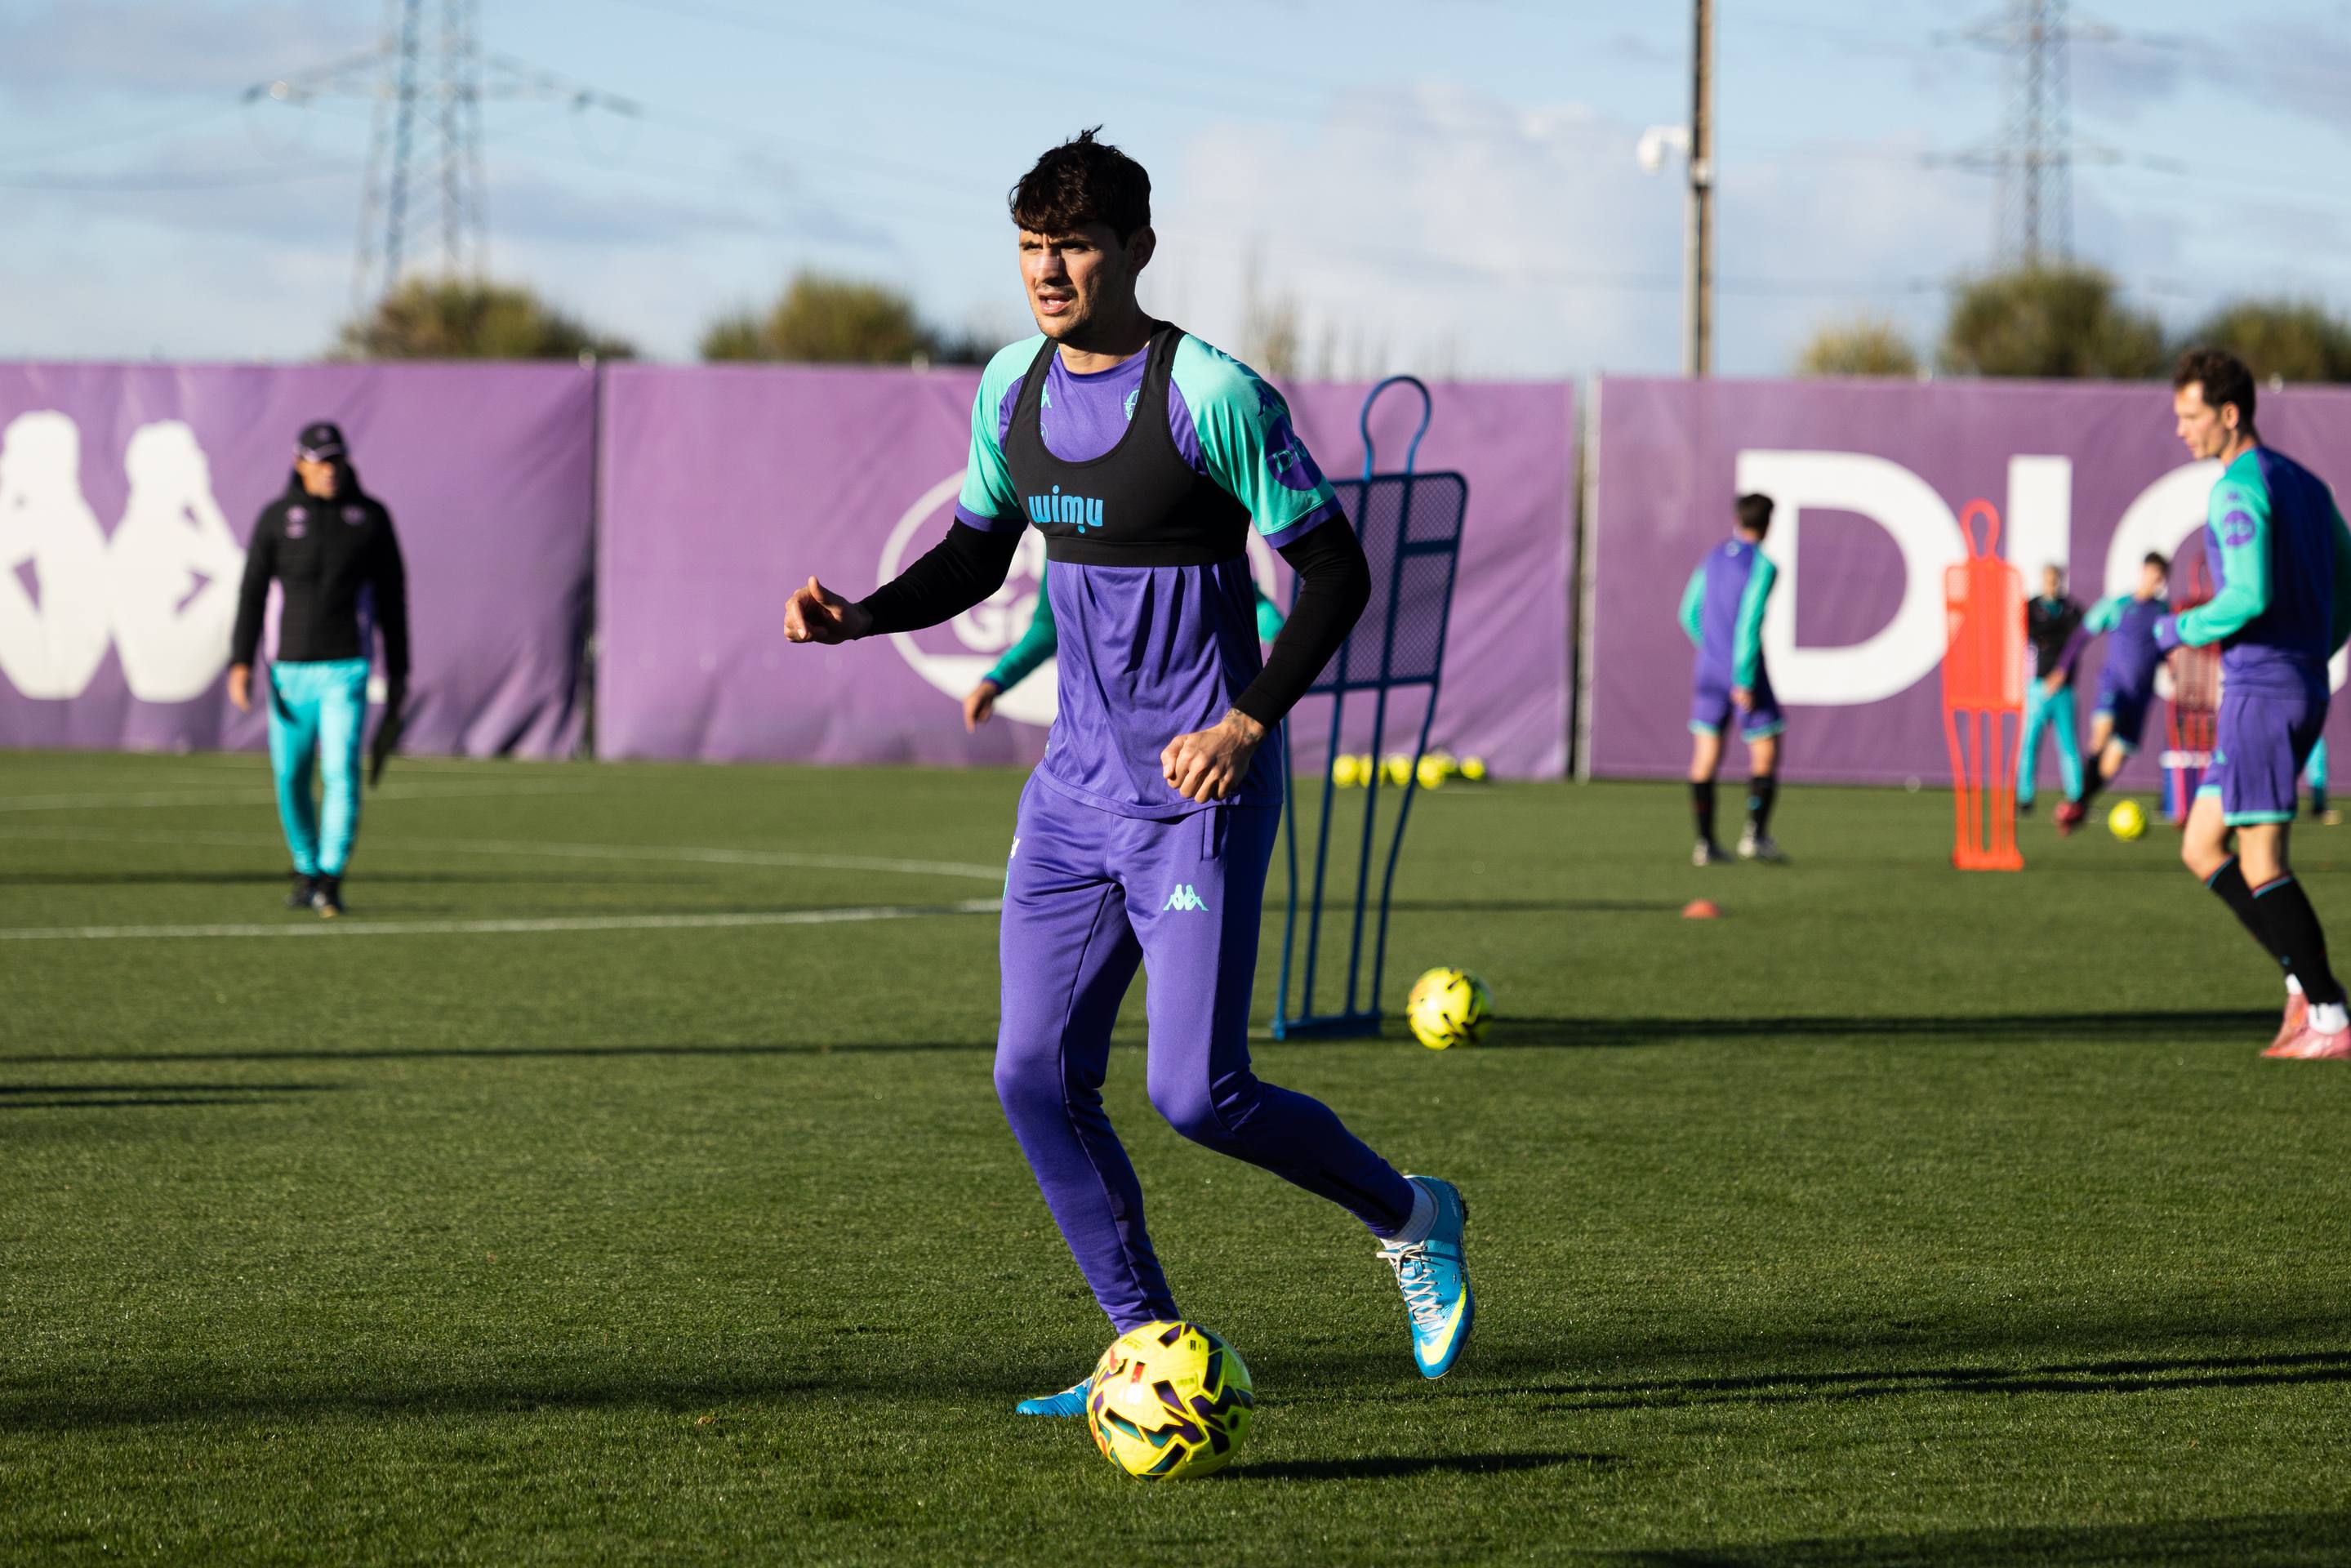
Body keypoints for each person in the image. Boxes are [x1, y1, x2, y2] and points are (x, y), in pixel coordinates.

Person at [783, 130, 1473, 1406]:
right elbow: (975, 555)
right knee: (1032, 1076)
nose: (1047, 270)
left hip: (1194, 797)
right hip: (1069, 800)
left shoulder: (1211, 395)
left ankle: (1411, 1214)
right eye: (1031, 247)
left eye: (1075, 245)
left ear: (1135, 251)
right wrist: (864, 615)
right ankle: (1139, 1342)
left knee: (1197, 1095)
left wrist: (1244, 724)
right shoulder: (1009, 390)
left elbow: (1335, 572)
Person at [2156, 347, 2351, 1060]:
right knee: (2200, 843)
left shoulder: (2236, 487)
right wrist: (2311, 655)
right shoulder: (2306, 484)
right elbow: (2346, 587)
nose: (2181, 429)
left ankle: (2327, 1014)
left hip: (2261, 691)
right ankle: (2302, 983)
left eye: (2190, 416)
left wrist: (2173, 629)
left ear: (2228, 414)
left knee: (2262, 861)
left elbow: (2245, 597)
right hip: (2294, 681)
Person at [227, 421, 408, 919]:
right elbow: (253, 592)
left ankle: (331, 874)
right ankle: (306, 866)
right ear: (299, 463)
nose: (331, 471)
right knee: (290, 776)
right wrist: (241, 660)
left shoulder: (369, 519)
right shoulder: (277, 518)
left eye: (337, 460)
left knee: (341, 771)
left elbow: (393, 601)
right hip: (289, 673)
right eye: (321, 461)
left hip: (346, 668)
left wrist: (400, 674)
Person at [963, 561, 1285, 730]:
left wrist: (1279, 636)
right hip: (1094, 737)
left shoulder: (1170, 519)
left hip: (1182, 725)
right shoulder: (1066, 535)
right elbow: (1048, 629)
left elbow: (1243, 598)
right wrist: (995, 682)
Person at [1680, 493, 1784, 864]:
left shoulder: (1712, 558)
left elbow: (1688, 612)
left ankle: (1704, 844)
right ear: (1769, 523)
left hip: (1708, 668)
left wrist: (1711, 651)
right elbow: (1750, 624)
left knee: (1705, 755)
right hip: (1743, 673)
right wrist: (1741, 676)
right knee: (1766, 749)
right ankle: (1754, 836)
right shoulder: (1763, 566)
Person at [2055, 553, 2169, 835]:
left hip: (2139, 697)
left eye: (2159, 577)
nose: (2153, 581)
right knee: (2101, 732)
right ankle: (2076, 804)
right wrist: (2061, 669)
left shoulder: (2164, 612)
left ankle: (2078, 804)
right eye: (2150, 574)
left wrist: (2174, 665)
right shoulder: (2118, 605)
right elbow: (2082, 635)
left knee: (2111, 764)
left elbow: (2168, 647)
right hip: (2113, 685)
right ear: (2143, 572)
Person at [2017, 565, 2087, 816]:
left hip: (2064, 688)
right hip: (2038, 686)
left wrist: (2060, 671)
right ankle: (2024, 796)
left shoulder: (2070, 610)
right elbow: (2035, 636)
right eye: (2047, 580)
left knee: (2068, 745)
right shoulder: (2031, 608)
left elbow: (2075, 641)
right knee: (2030, 743)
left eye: (2055, 580)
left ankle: (2076, 797)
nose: (2052, 585)